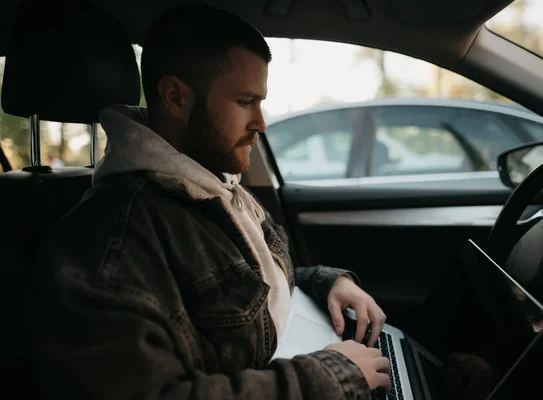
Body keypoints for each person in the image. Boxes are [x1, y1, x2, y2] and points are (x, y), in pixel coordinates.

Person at [24, 4, 390, 400]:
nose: (261, 123)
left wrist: (326, 282)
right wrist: (326, 378)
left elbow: (255, 282)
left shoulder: (214, 184)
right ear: (176, 97)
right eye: (244, 101)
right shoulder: (110, 243)